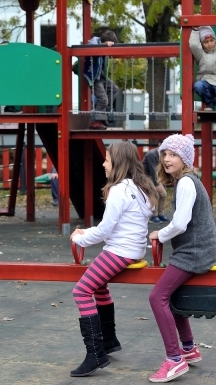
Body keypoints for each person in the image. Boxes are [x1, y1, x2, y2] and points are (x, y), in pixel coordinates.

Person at [69, 141, 157, 377]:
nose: (103, 163)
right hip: (134, 248)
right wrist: (86, 231)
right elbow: (115, 226)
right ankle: (109, 340)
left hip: (120, 251)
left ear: (118, 163)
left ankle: (95, 354)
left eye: (107, 159)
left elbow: (106, 230)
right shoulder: (139, 187)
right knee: (99, 287)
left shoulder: (118, 190)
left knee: (81, 291)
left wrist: (81, 239)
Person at [147, 134, 216, 383]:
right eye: (165, 154)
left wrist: (160, 234)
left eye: (174, 155)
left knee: (157, 297)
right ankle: (188, 348)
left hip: (195, 251)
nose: (167, 159)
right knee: (173, 296)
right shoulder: (186, 181)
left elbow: (180, 223)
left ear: (185, 159)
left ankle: (174, 360)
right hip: (195, 248)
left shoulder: (187, 182)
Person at [82, 30, 120, 130]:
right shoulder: (94, 42)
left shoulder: (103, 44)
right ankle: (94, 122)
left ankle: (103, 114)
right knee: (103, 99)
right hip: (93, 77)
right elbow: (91, 49)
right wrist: (105, 45)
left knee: (114, 89)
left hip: (101, 76)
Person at [142, 147, 170, 223]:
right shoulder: (151, 154)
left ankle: (160, 214)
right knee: (155, 195)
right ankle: (154, 216)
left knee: (163, 194)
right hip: (146, 176)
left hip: (154, 176)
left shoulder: (163, 155)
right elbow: (153, 170)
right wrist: (157, 185)